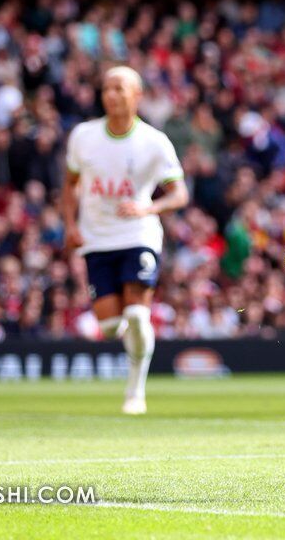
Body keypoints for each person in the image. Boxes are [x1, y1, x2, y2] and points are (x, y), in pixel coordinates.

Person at [62, 66, 189, 415]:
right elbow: (69, 184)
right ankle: (130, 339)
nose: (111, 95)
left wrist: (150, 208)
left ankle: (135, 391)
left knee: (136, 312)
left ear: (137, 96)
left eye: (119, 88)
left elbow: (179, 194)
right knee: (107, 327)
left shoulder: (154, 141)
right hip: (96, 239)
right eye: (106, 88)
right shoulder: (83, 136)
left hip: (138, 235)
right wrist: (70, 225)